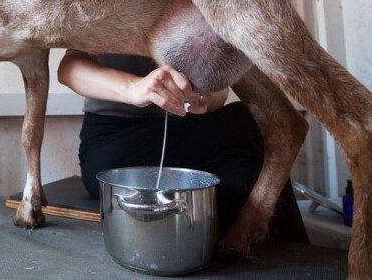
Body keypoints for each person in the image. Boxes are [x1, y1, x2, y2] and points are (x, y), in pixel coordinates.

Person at [57, 49, 308, 243]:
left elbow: (219, 92)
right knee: (247, 120)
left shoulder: (190, 3)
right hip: (113, 146)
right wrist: (134, 87)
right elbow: (68, 68)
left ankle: (293, 262)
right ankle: (301, 255)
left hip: (182, 138)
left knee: (243, 175)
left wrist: (202, 99)